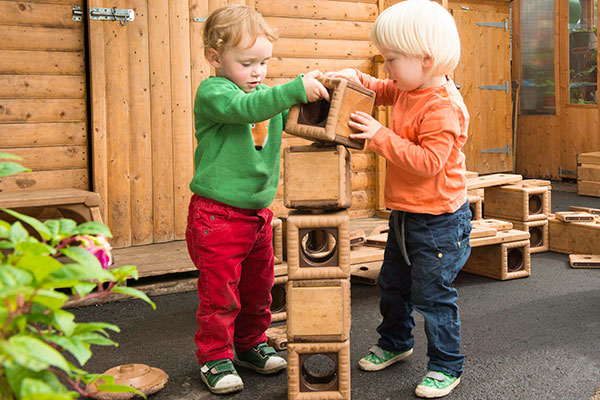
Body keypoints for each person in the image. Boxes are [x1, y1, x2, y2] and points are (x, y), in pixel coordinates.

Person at [326, 0, 471, 397]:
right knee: (392, 284)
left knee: (433, 296)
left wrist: (378, 135)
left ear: (426, 59)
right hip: (407, 215)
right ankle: (396, 342)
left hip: (440, 222)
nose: (386, 68)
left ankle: (446, 364)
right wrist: (352, 76)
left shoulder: (442, 107)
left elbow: (427, 163)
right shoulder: (411, 87)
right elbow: (382, 89)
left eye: (391, 59)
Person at [186, 4, 329, 395]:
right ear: (215, 58)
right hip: (216, 216)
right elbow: (247, 108)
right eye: (248, 63)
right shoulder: (214, 93)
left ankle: (250, 344)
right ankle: (215, 357)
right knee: (220, 294)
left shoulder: (267, 96)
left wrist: (323, 100)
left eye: (264, 62)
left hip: (257, 216)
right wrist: (293, 88)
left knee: (258, 287)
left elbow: (287, 113)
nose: (258, 72)